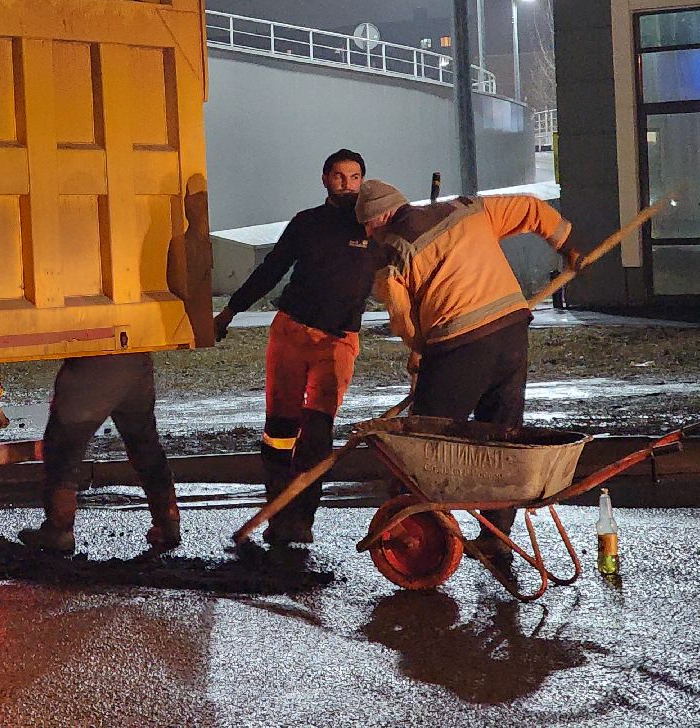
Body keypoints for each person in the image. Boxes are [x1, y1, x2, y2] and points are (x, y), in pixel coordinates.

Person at [354, 179, 581, 569]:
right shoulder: (466, 209)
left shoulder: (391, 252)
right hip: (511, 331)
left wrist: (420, 348)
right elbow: (530, 207)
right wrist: (567, 245)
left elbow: (401, 315)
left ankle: (417, 532)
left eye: (368, 229)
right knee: (502, 433)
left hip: (458, 344)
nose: (370, 237)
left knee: (427, 439)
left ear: (378, 219)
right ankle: (498, 536)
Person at [214, 148, 379, 545]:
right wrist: (230, 311)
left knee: (318, 433)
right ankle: (278, 512)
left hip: (338, 342)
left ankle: (302, 519)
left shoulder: (374, 229)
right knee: (280, 430)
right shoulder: (306, 223)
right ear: (324, 179)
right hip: (291, 333)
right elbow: (271, 270)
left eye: (355, 177)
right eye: (339, 176)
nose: (347, 184)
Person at [17, 351, 181, 554]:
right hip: (136, 361)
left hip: (95, 361)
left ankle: (59, 530)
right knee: (144, 443)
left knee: (62, 448)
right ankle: (168, 522)